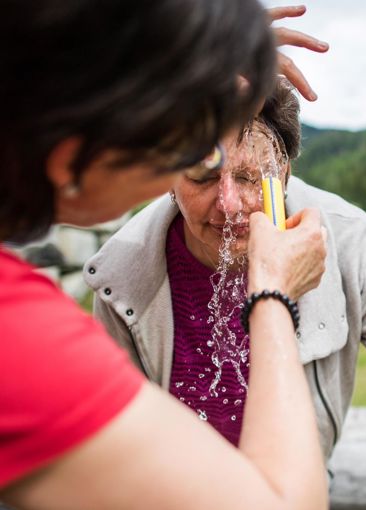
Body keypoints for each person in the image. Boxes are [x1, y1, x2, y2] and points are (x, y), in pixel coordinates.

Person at [86, 79, 366, 510]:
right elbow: (111, 451)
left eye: (251, 176)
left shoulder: (348, 239)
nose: (229, 203)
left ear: (284, 174)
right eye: (202, 175)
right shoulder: (121, 276)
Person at [0, 2, 331, 509]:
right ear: (76, 159)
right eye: (188, 152)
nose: (223, 197)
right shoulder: (18, 340)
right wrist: (272, 295)